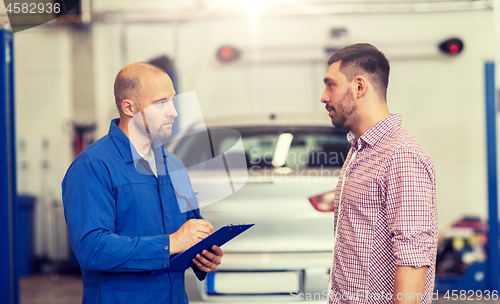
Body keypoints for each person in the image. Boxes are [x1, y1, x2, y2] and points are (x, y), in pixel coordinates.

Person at [62, 62, 223, 304]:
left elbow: (187, 232)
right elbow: (91, 249)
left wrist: (201, 255)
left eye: (173, 101)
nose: (173, 112)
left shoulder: (174, 165)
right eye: (161, 103)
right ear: (129, 107)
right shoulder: (93, 165)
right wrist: (171, 243)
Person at [321, 44, 437, 304]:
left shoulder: (401, 155)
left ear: (359, 87)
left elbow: (413, 258)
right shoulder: (359, 149)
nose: (324, 97)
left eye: (331, 85)